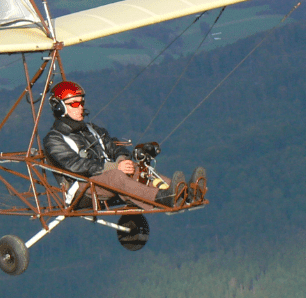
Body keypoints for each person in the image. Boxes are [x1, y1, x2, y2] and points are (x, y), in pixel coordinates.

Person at [42, 80, 206, 209]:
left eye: (82, 102)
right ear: (59, 108)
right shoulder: (54, 139)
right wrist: (113, 168)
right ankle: (162, 198)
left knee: (136, 168)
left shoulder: (93, 129)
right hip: (80, 192)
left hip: (103, 182)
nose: (81, 108)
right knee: (117, 176)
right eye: (74, 104)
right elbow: (76, 166)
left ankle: (184, 193)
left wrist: (121, 160)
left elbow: (114, 147)